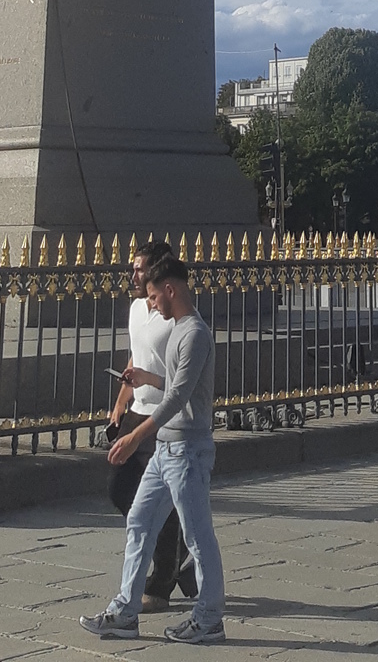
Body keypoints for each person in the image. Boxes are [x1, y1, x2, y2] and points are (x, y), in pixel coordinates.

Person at [81, 253, 226, 645]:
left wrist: (134, 437)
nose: (152, 304)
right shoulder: (178, 329)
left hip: (187, 451)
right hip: (166, 450)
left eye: (154, 297)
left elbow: (179, 397)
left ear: (170, 290)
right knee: (140, 523)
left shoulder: (194, 333)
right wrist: (149, 378)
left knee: (198, 538)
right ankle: (124, 612)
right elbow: (176, 384)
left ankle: (209, 618)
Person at [106, 239, 196, 612]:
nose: (134, 275)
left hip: (164, 414)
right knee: (120, 489)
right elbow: (136, 355)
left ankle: (162, 579)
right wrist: (121, 401)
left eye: (140, 269)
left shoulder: (173, 314)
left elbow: (180, 375)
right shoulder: (136, 308)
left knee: (164, 499)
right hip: (137, 410)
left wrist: (150, 382)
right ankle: (176, 554)